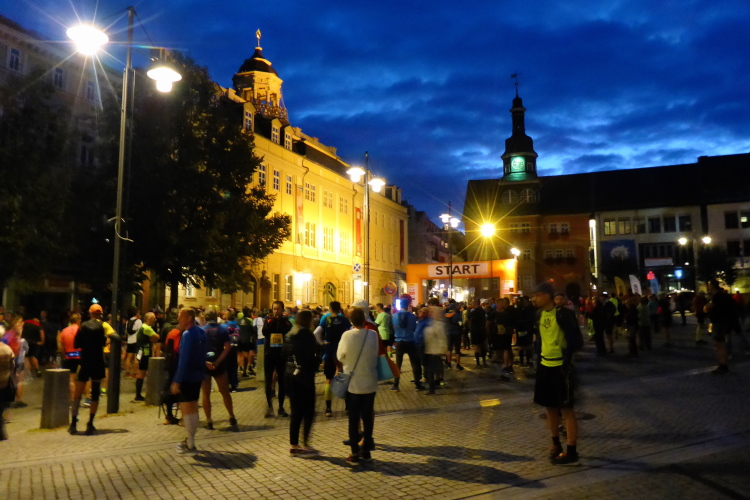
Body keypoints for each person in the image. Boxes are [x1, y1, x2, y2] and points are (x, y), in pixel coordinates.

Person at [532, 282, 581, 466]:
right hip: (545, 365)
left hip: (561, 366)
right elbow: (539, 338)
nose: (535, 299)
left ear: (547, 295)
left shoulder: (563, 314)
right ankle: (555, 443)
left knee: (567, 409)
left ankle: (572, 450)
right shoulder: (538, 314)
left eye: (537, 295)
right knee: (549, 407)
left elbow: (573, 340)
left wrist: (566, 363)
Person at [337, 307, 380, 464]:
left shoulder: (347, 335)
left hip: (353, 383)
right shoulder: (373, 334)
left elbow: (340, 356)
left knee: (354, 418)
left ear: (351, 320)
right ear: (364, 319)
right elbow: (375, 353)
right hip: (370, 381)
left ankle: (354, 452)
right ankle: (366, 450)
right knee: (367, 417)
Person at [69, 304, 119, 435]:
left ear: (90, 313)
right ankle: (90, 423)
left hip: (85, 362)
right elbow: (116, 337)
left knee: (78, 393)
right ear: (101, 314)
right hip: (98, 362)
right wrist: (106, 341)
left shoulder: (83, 326)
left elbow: (76, 344)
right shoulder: (104, 325)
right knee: (95, 394)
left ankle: (73, 423)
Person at [284, 310, 320, 456]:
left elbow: (284, 355)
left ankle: (294, 444)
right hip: (304, 377)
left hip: (290, 375)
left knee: (295, 411)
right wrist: (318, 361)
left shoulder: (289, 334)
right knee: (308, 411)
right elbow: (310, 357)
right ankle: (305, 444)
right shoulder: (306, 335)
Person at [171, 308, 207, 454]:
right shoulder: (202, 332)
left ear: (188, 318)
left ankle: (190, 442)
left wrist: (177, 380)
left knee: (187, 408)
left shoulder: (187, 334)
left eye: (180, 316)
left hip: (187, 376)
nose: (178, 319)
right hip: (198, 375)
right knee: (193, 406)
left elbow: (184, 359)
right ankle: (191, 440)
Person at [201, 308, 238, 429]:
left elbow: (197, 349)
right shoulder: (223, 329)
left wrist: (205, 361)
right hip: (219, 364)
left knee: (206, 394)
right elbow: (227, 347)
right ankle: (231, 416)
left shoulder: (201, 330)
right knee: (225, 392)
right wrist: (218, 361)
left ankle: (209, 420)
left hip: (205, 364)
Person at [317, 301, 351, 417]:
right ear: (339, 308)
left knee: (328, 379)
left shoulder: (326, 319)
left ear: (330, 308)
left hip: (329, 351)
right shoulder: (344, 319)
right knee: (344, 378)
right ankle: (347, 406)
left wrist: (322, 343)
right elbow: (350, 331)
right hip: (342, 351)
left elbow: (316, 333)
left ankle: (328, 408)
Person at [263, 301, 293, 417]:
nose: (276, 311)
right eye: (274, 309)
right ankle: (269, 407)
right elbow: (265, 332)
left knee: (282, 381)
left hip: (281, 354)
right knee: (268, 380)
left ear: (282, 310)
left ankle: (281, 407)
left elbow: (288, 332)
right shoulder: (268, 320)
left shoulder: (286, 322)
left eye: (278, 309)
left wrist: (280, 321)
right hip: (269, 354)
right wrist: (273, 321)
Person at [391, 298, 424, 391]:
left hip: (399, 341)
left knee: (398, 363)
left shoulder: (393, 316)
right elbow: (414, 328)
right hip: (410, 340)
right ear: (408, 306)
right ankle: (417, 384)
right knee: (414, 362)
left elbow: (392, 328)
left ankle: (396, 384)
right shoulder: (412, 317)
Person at [705, 280, 736, 374]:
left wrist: (706, 307)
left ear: (712, 286)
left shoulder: (717, 296)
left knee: (719, 344)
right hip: (723, 321)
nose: (708, 287)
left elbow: (708, 307)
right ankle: (723, 364)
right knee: (719, 343)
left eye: (709, 285)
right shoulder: (722, 295)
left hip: (719, 321)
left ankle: (723, 365)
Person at [133, 312, 160, 402]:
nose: (155, 320)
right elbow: (157, 336)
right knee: (142, 373)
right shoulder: (147, 328)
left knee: (141, 373)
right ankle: (138, 395)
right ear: (149, 319)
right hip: (145, 352)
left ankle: (139, 394)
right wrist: (152, 338)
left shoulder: (143, 327)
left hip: (141, 352)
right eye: (154, 318)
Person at [422, 306, 447, 394]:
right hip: (430, 350)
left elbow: (442, 338)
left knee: (432, 369)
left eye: (431, 312)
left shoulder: (438, 324)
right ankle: (432, 387)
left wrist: (443, 349)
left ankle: (432, 388)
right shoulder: (431, 323)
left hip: (435, 350)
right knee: (430, 370)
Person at [58, 313, 82, 400]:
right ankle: (83, 397)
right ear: (78, 321)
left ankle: (72, 398)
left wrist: (64, 356)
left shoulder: (64, 331)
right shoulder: (81, 330)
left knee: (71, 379)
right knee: (82, 378)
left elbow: (61, 346)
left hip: (69, 356)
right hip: (80, 356)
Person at [237, 307, 257, 377]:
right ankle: (245, 371)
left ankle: (240, 368)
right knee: (246, 355)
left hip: (239, 340)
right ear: (247, 313)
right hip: (247, 340)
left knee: (240, 355)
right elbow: (254, 330)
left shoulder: (238, 320)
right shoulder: (250, 320)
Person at [0, 339, 14, 440]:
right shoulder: (7, 349)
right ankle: (1, 432)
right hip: (4, 381)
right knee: (1, 407)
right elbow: (12, 365)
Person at [468, 299, 488, 367]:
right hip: (482, 330)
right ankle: (484, 361)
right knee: (482, 346)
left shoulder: (473, 312)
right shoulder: (483, 311)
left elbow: (468, 318)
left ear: (475, 304)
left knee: (476, 346)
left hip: (474, 330)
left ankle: (478, 363)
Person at [124, 309, 142, 379]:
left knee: (128, 357)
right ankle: (135, 373)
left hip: (129, 341)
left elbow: (126, 331)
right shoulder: (138, 321)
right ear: (136, 314)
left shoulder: (128, 321)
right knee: (136, 357)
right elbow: (140, 331)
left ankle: (127, 372)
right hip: (136, 341)